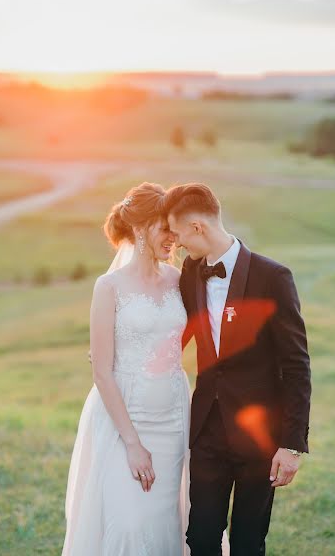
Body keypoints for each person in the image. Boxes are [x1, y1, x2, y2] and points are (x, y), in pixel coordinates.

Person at [162, 182, 312, 556]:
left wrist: (292, 445)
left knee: (248, 542)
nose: (178, 245)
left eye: (180, 235)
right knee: (200, 538)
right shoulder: (190, 274)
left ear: (198, 227)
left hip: (260, 435)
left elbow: (296, 364)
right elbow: (175, 337)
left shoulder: (272, 277)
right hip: (208, 430)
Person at [61, 182, 200, 555]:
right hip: (125, 422)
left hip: (172, 418)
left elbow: (180, 335)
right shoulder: (109, 287)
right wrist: (133, 444)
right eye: (165, 228)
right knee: (127, 523)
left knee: (167, 520)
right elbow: (102, 373)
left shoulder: (179, 280)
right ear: (140, 228)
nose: (174, 237)